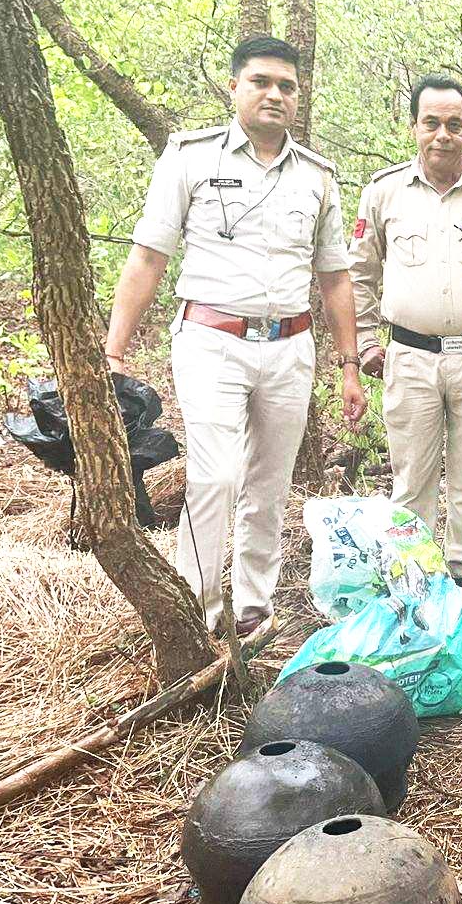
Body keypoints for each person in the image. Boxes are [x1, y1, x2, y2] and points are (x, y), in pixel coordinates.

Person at [105, 35, 364, 635]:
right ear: (235, 87)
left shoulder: (317, 177)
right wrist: (113, 351)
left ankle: (253, 607)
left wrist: (349, 364)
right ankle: (195, 609)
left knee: (269, 484)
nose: (275, 95)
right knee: (216, 474)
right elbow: (148, 257)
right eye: (262, 82)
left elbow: (334, 277)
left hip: (290, 347)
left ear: (299, 97)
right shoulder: (190, 157)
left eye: (287, 86)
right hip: (210, 339)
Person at [351, 74, 462, 599]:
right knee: (412, 477)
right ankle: (417, 572)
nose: (442, 135)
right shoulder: (383, 193)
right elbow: (359, 273)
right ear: (413, 127)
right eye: (431, 123)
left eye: (454, 124)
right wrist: (365, 342)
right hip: (409, 356)